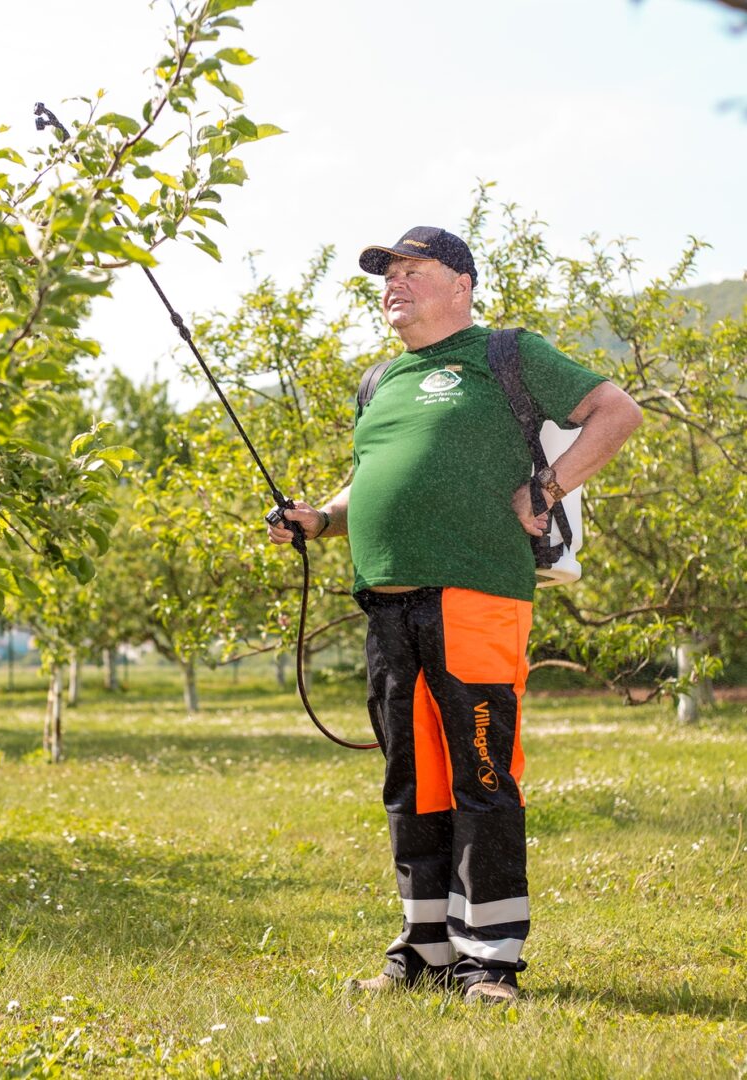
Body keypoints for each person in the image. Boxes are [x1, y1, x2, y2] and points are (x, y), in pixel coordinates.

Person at [266, 226, 642, 1005]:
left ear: (461, 283)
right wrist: (320, 520)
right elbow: (367, 477)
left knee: (481, 773)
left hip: (477, 593)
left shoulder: (506, 353)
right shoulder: (380, 381)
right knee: (413, 782)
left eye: (412, 269)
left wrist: (548, 487)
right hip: (388, 601)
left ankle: (491, 960)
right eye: (386, 273)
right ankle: (426, 949)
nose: (392, 283)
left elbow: (616, 410)